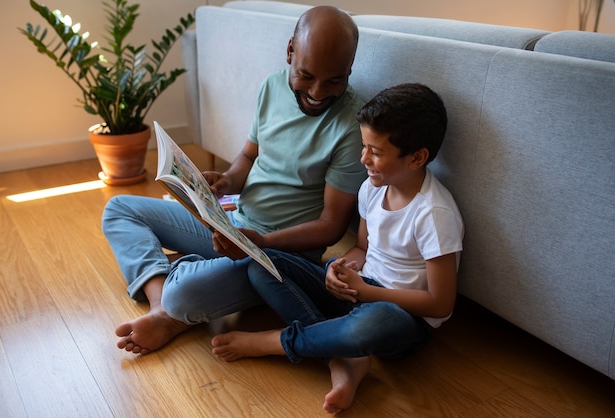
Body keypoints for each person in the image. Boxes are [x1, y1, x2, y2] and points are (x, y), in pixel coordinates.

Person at [102, 6, 366, 355]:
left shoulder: (351, 125)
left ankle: (174, 302)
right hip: (234, 223)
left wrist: (262, 241)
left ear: (350, 69)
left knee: (184, 294)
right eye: (307, 75)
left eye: (335, 80)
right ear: (290, 52)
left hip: (277, 255)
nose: (318, 92)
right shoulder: (272, 87)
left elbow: (331, 226)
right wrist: (224, 182)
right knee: (119, 209)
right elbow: (249, 157)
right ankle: (162, 307)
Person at [211, 83, 464, 414]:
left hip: (399, 315)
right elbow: (362, 248)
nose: (363, 159)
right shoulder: (373, 188)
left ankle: (281, 342)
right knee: (264, 263)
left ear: (417, 157)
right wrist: (341, 269)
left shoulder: (434, 214)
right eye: (364, 146)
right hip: (358, 293)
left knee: (372, 324)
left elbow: (440, 304)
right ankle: (344, 357)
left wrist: (367, 293)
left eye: (376, 152)